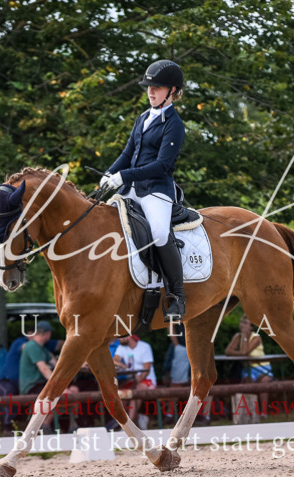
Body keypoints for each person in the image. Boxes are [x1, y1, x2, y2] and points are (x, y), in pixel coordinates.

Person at [100, 59, 187, 322]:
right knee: (103, 220)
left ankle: (177, 295)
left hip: (156, 190)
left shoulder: (174, 124)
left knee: (159, 233)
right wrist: (109, 174)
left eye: (157, 87)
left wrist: (124, 175)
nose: (151, 91)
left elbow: (162, 165)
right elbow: (128, 154)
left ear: (172, 91)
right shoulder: (143, 118)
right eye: (149, 87)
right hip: (131, 189)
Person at [19, 321, 58, 432]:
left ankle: (71, 424)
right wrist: (59, 385)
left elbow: (55, 364)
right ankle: (45, 425)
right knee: (57, 395)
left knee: (72, 391)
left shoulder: (41, 348)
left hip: (39, 385)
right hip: (31, 387)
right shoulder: (32, 346)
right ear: (47, 333)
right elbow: (44, 369)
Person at [114, 334, 157, 426]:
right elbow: (115, 360)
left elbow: (147, 369)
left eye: (120, 336)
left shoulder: (144, 346)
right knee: (121, 396)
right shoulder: (122, 347)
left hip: (147, 380)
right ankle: (135, 419)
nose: (118, 339)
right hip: (132, 380)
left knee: (136, 391)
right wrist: (126, 367)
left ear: (129, 336)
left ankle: (129, 425)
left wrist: (138, 379)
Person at [162, 327, 191, 419]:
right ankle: (170, 414)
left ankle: (197, 415)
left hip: (195, 347)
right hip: (182, 347)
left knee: (200, 381)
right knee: (177, 383)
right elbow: (170, 324)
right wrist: (177, 345)